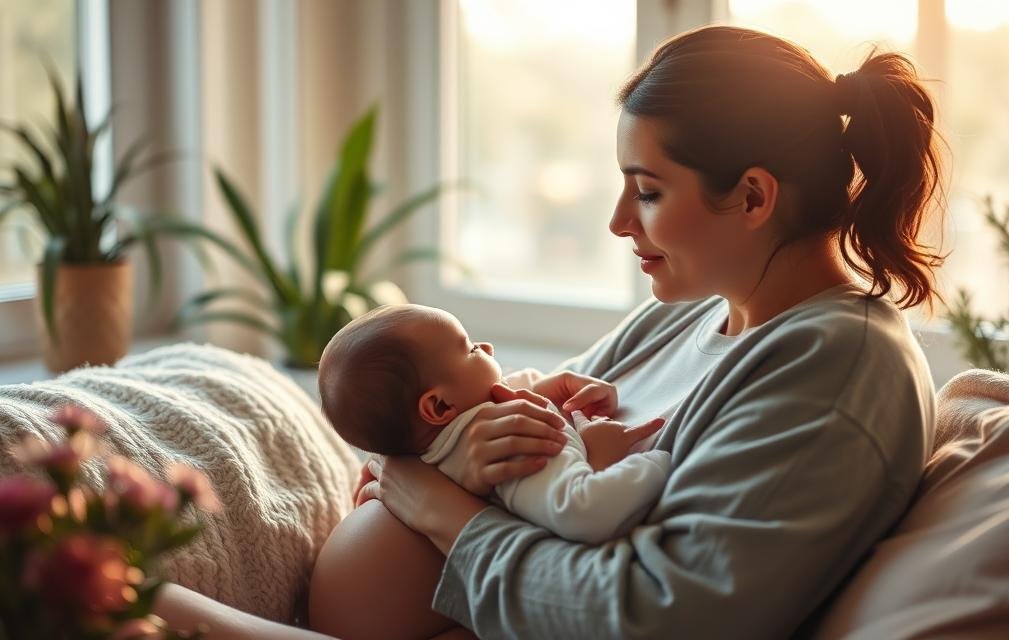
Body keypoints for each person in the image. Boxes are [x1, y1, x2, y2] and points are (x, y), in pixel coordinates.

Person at [308, 24, 943, 640]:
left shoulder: (838, 367)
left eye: (647, 191)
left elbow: (658, 616)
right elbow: (468, 419)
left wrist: (441, 509)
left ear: (753, 197)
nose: (617, 222)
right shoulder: (688, 309)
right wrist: (437, 463)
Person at [316, 303, 670, 544]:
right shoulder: (506, 447)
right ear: (438, 406)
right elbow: (582, 512)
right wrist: (641, 461)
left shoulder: (440, 440)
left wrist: (538, 389)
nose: (486, 346)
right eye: (470, 348)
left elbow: (492, 396)